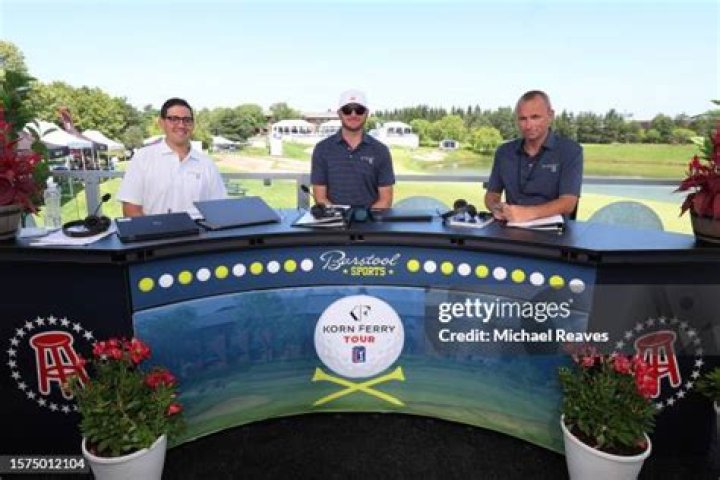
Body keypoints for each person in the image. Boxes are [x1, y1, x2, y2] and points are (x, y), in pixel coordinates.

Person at [484, 90, 583, 223]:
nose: (528, 125)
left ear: (550, 115)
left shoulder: (570, 151)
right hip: (510, 228)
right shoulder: (504, 152)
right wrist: (497, 208)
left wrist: (527, 213)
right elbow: (492, 195)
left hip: (554, 231)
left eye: (535, 117)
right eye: (523, 119)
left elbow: (568, 202)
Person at [117, 98, 226, 217]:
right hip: (153, 229)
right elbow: (131, 209)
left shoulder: (207, 164)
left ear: (193, 124)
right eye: (174, 119)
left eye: (187, 120)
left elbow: (219, 209)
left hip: (198, 229)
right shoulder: (143, 158)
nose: (181, 125)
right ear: (161, 123)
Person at [311, 89, 395, 208]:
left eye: (359, 110)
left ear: (367, 113)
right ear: (339, 113)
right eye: (347, 110)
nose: (353, 114)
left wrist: (365, 217)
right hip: (333, 219)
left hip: (370, 219)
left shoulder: (381, 151)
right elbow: (320, 198)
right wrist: (340, 217)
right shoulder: (322, 149)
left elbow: (385, 200)